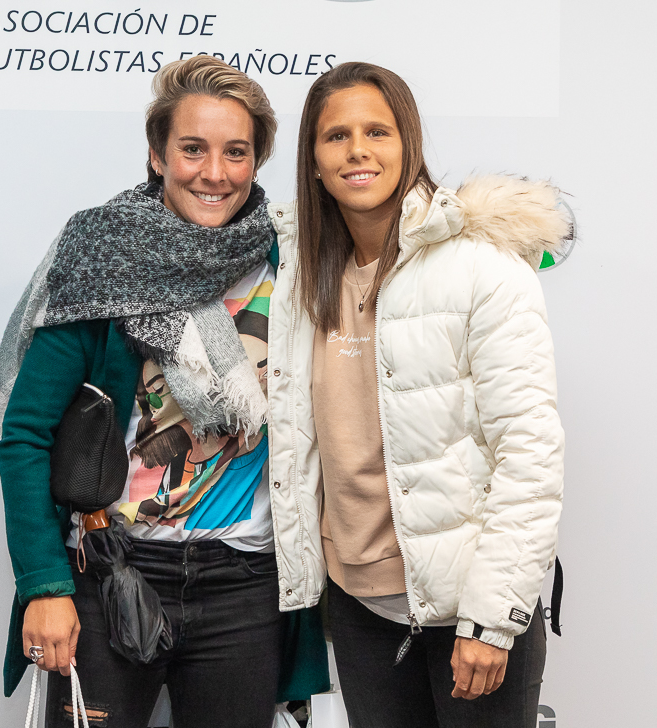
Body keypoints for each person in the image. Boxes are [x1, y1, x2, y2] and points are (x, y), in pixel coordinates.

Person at [0, 56, 302, 728]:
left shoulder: (291, 257)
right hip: (110, 570)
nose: (214, 172)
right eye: (192, 149)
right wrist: (44, 585)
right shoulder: (100, 255)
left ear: (257, 162)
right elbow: (25, 436)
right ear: (158, 156)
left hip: (245, 584)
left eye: (236, 152)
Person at [265, 62, 567, 727]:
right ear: (313, 161)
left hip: (468, 610)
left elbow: (529, 454)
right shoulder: (300, 278)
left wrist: (492, 621)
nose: (358, 151)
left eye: (378, 131)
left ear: (409, 145)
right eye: (336, 136)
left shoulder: (483, 267)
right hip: (359, 607)